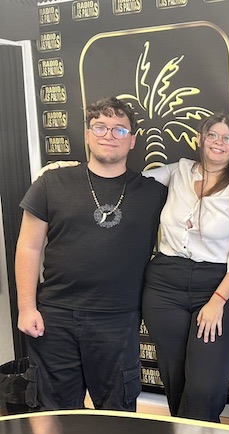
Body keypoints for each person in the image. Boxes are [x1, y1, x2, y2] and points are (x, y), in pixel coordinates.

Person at [15, 96, 167, 411]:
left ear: (132, 140)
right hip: (55, 316)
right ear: (87, 134)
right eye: (100, 127)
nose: (109, 135)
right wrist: (26, 308)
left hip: (118, 319)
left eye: (119, 129)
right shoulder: (52, 182)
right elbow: (28, 246)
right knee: (55, 412)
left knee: (118, 413)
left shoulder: (154, 193)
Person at [140, 113, 229, 422]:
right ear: (199, 139)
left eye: (227, 138)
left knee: (205, 384)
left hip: (218, 283)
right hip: (164, 284)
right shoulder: (178, 171)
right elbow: (128, 182)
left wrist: (218, 300)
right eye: (212, 135)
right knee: (175, 377)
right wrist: (70, 170)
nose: (219, 143)